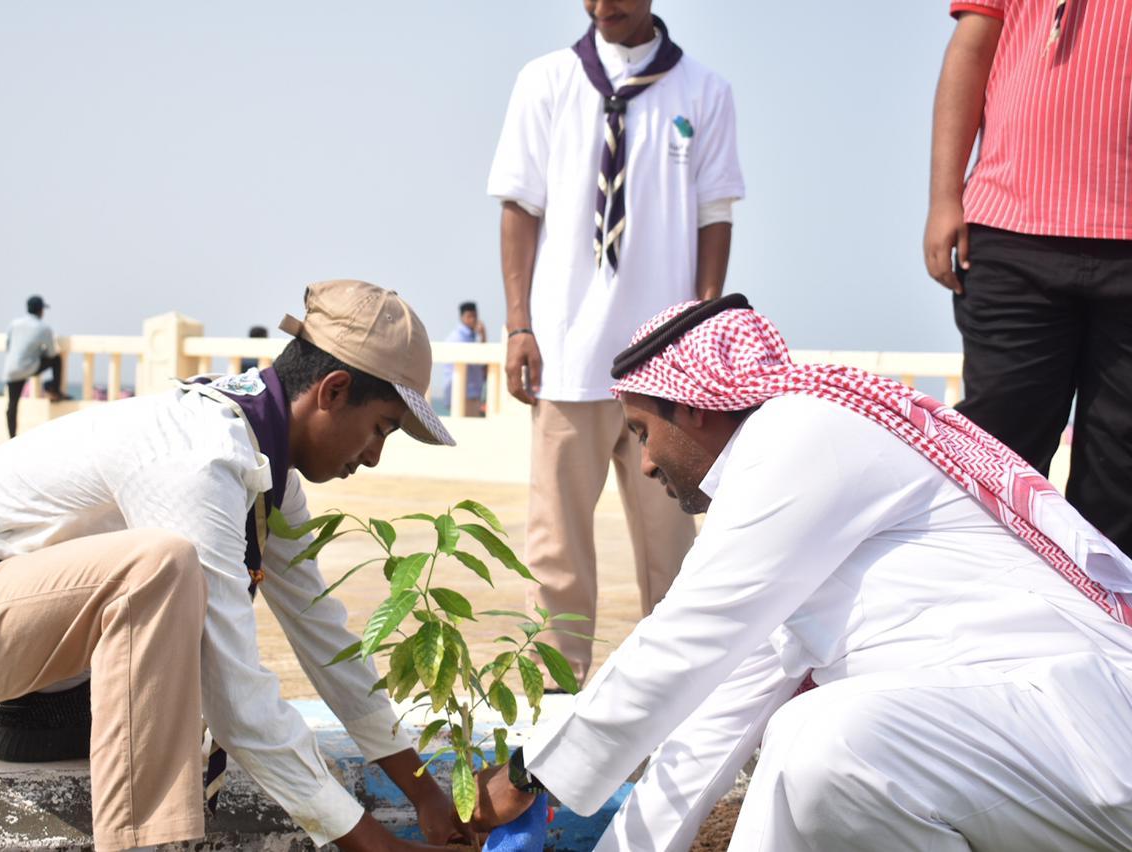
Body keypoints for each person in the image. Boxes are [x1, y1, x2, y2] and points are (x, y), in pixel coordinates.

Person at [472, 295, 1132, 851]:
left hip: (1084, 733)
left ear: (696, 407)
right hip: (1025, 742)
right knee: (800, 763)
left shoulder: (796, 438)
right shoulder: (799, 503)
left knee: (820, 743)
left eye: (643, 432)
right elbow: (710, 726)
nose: (644, 464)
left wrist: (528, 773)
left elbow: (676, 642)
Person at [0, 280, 472, 852]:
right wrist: (370, 841)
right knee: (162, 569)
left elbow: (326, 636)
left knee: (176, 608)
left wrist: (425, 793)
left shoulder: (265, 467)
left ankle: (48, 715)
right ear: (334, 390)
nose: (373, 457)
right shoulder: (201, 457)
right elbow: (235, 694)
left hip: (27, 647)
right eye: (381, 429)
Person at [486, 0, 744, 686]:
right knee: (556, 553)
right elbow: (520, 208)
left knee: (673, 555)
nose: (604, 7)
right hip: (568, 357)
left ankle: (667, 700)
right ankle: (554, 705)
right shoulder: (545, 82)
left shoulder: (703, 90)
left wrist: (701, 329)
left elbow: (714, 215)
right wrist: (519, 324)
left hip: (665, 371)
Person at [923, 2, 1132, 556]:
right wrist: (945, 198)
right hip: (1013, 229)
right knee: (997, 451)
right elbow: (972, 50)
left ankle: (1107, 633)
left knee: (1124, 466)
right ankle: (978, 622)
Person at [3, 294, 68, 438]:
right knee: (56, 360)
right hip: (29, 367)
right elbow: (51, 353)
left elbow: (8, 345)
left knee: (12, 405)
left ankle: (11, 437)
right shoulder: (44, 328)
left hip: (11, 370)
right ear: (40, 311)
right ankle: (54, 390)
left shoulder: (14, 323)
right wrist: (39, 351)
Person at [442, 301, 487, 417]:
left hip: (470, 394)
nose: (473, 320)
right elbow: (478, 360)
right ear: (462, 318)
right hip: (462, 394)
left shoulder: (470, 336)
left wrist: (483, 336)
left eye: (475, 316)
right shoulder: (458, 338)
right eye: (469, 316)